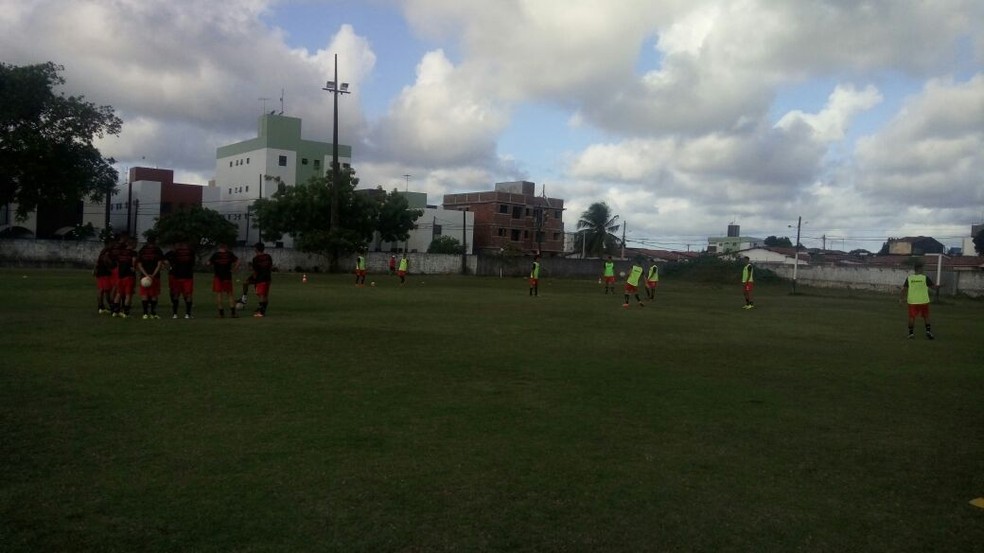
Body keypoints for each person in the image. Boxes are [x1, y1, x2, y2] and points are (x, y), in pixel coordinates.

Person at [900, 259, 939, 339]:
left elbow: (904, 289)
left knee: (911, 317)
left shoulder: (909, 278)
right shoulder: (925, 278)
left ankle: (911, 334)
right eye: (922, 268)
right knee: (926, 317)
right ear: (920, 269)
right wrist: (939, 287)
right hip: (923, 301)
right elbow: (934, 288)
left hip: (912, 301)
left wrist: (901, 299)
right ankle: (928, 332)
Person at [206, 243, 239, 318]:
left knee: (219, 294)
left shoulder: (216, 255)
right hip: (227, 276)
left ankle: (221, 314)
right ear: (226, 247)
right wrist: (234, 269)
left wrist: (209, 265)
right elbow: (238, 261)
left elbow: (208, 263)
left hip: (218, 277)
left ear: (219, 248)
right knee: (230, 294)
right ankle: (233, 313)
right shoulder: (229, 254)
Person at [136, 236, 165, 319]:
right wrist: (152, 275)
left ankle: (145, 314)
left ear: (147, 241)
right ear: (155, 241)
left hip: (144, 277)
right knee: (154, 294)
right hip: (154, 276)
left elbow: (139, 265)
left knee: (144, 294)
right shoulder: (157, 250)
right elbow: (159, 264)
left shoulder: (142, 250)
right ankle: (153, 313)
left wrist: (146, 274)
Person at [169, 240, 197, 319]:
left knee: (176, 294)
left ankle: (175, 314)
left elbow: (172, 263)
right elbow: (193, 264)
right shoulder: (191, 252)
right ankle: (187, 314)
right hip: (188, 276)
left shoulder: (176, 252)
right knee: (188, 295)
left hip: (177, 275)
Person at [112, 237, 138, 318]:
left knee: (119, 293)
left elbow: (117, 262)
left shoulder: (120, 252)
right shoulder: (133, 253)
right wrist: (134, 267)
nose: (136, 245)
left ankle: (115, 312)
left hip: (120, 276)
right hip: (129, 276)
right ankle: (126, 313)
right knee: (128, 295)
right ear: (133, 244)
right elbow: (134, 261)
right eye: (136, 244)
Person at [249, 242, 274, 318]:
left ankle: (261, 313)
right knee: (265, 295)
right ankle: (263, 310)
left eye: (254, 248)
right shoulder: (268, 256)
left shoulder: (255, 259)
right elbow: (270, 267)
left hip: (261, 279)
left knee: (261, 295)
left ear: (256, 249)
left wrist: (253, 279)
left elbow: (255, 271)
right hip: (268, 278)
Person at [92, 239, 115, 314]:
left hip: (100, 272)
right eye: (112, 243)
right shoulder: (107, 251)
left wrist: (95, 269)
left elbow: (98, 262)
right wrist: (111, 266)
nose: (113, 244)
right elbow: (106, 259)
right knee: (107, 290)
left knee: (101, 290)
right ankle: (111, 307)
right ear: (109, 243)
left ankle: (100, 307)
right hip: (105, 272)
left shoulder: (102, 251)